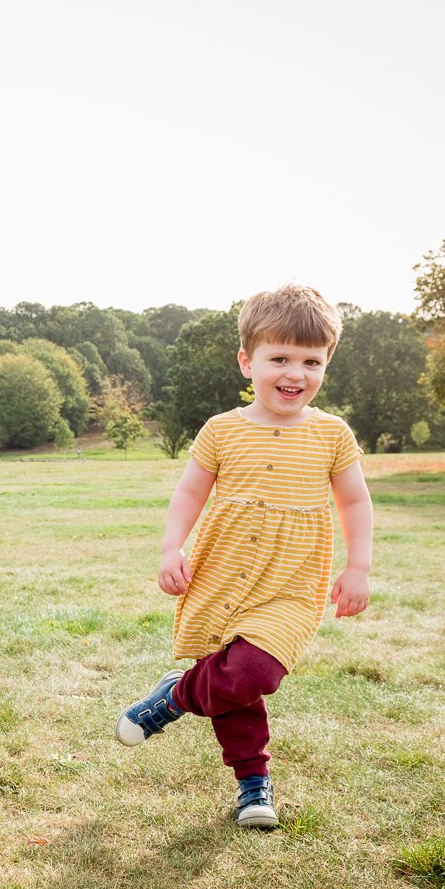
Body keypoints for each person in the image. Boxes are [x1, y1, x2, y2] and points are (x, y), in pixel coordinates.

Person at [115, 284, 372, 829]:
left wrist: (358, 566)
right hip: (224, 571)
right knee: (233, 678)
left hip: (291, 582)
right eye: (279, 358)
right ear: (246, 361)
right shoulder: (223, 430)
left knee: (256, 669)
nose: (294, 373)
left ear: (326, 364)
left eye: (311, 361)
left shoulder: (332, 435)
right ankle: (252, 784)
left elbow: (354, 500)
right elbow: (190, 494)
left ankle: (174, 698)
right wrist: (170, 547)